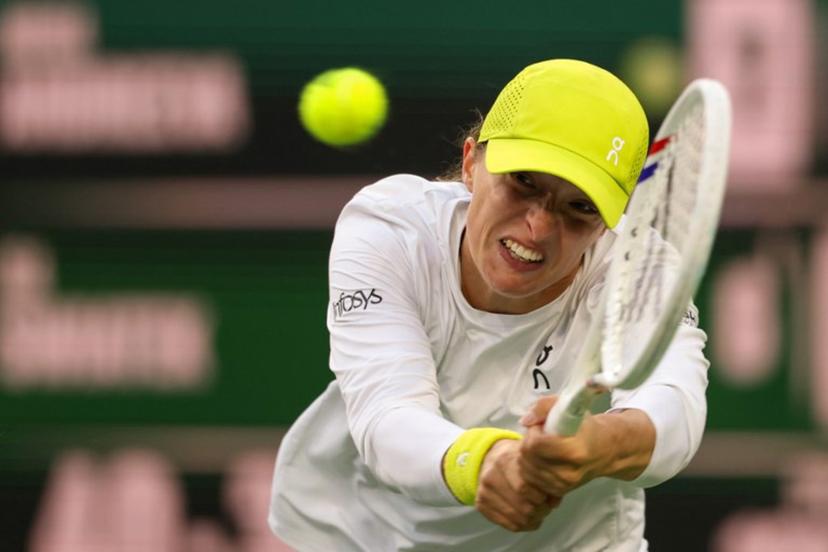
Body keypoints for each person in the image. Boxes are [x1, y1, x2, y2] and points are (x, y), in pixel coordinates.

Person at [268, 59, 709, 551]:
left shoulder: (641, 272)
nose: (539, 227)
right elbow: (388, 417)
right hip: (375, 536)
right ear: (470, 163)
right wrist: (487, 461)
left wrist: (596, 445)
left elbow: (675, 407)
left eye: (580, 207)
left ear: (608, 224)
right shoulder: (389, 231)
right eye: (523, 182)